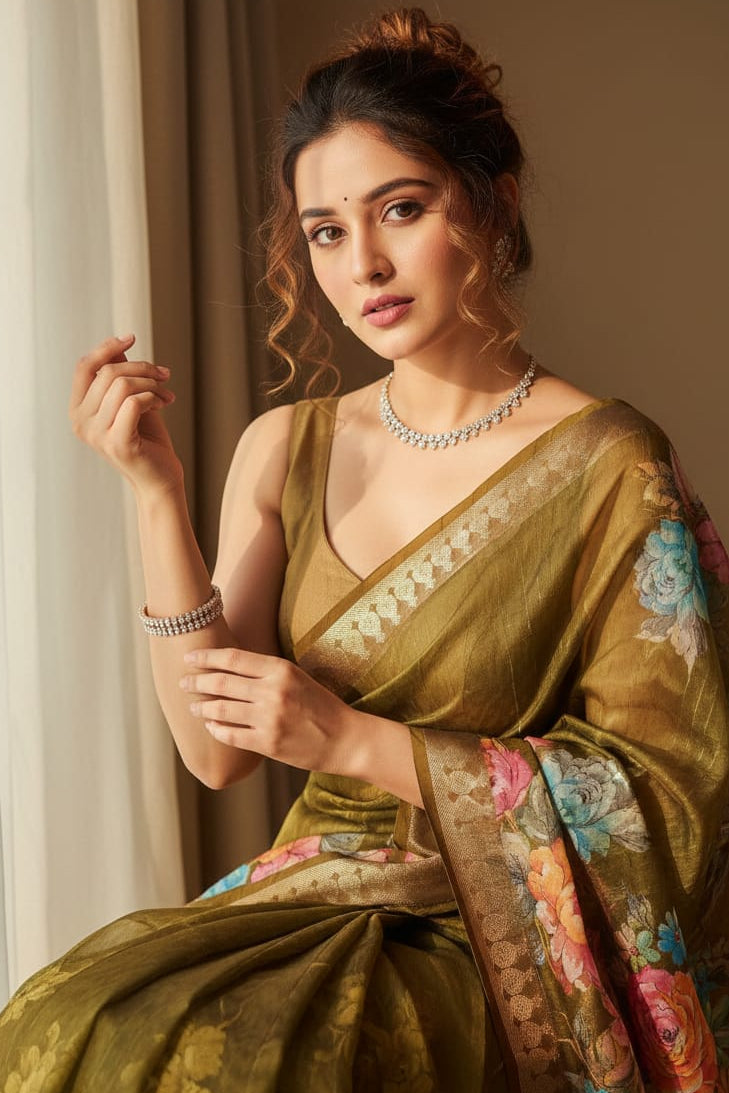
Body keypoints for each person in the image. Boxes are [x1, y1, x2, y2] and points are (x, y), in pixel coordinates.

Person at [1, 8, 728, 1091]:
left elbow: (669, 792)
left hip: (494, 928)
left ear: (491, 202)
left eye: (402, 208)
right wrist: (155, 493)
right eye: (327, 230)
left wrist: (346, 738)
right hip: (315, 888)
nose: (364, 264)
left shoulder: (610, 466)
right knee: (77, 1015)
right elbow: (215, 755)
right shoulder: (284, 446)